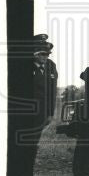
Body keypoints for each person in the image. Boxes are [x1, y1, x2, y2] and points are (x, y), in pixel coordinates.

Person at [28, 33, 58, 165]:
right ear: (34, 53)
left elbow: (52, 91)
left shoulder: (51, 65)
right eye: (42, 54)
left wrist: (50, 113)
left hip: (42, 113)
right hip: (26, 112)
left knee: (34, 141)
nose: (45, 57)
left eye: (47, 54)